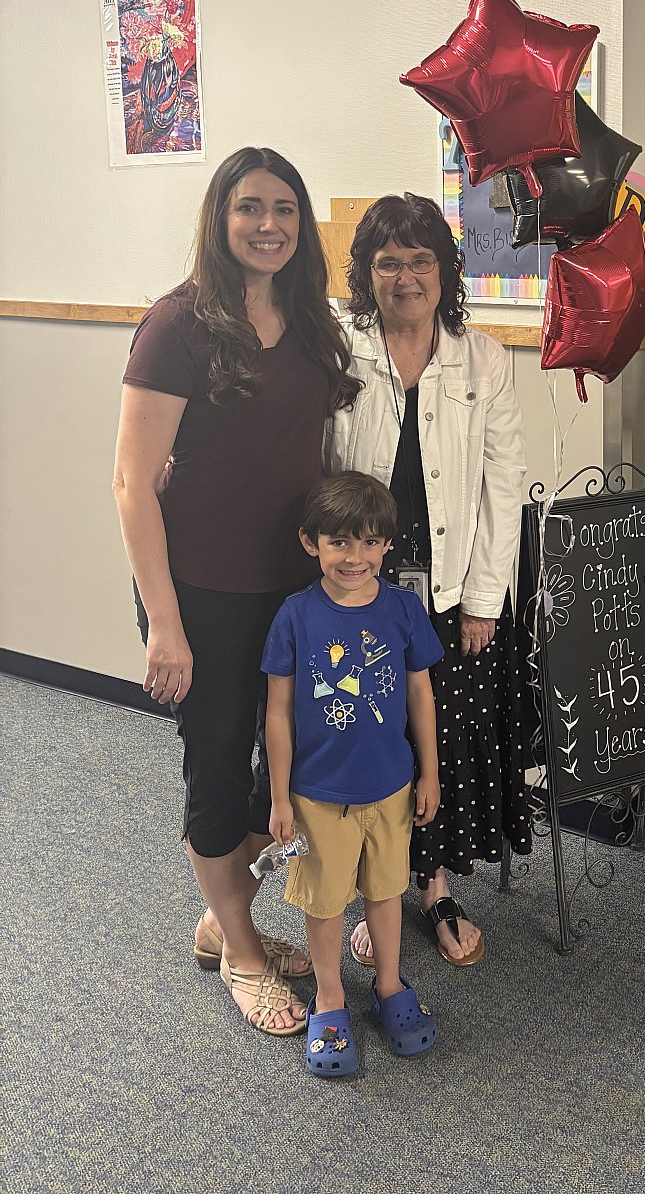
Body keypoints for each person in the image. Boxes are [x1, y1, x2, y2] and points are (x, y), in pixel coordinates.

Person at [114, 146, 360, 1034]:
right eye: (250, 206)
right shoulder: (177, 325)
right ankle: (242, 950)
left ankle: (224, 916)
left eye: (285, 209)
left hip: (292, 590)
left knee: (288, 761)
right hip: (200, 591)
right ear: (220, 218)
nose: (269, 225)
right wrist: (164, 624)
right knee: (217, 758)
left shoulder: (312, 322)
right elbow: (131, 483)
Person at [328, 193, 532, 968]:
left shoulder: (482, 358)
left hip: (450, 592)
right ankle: (371, 887)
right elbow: (312, 464)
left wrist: (484, 600)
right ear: (366, 273)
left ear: (446, 270)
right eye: (389, 262)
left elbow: (502, 486)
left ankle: (433, 885)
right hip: (359, 585)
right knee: (362, 737)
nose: (406, 277)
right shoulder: (339, 350)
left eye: (422, 260)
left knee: (436, 741)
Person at [263, 473, 441, 1076]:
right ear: (310, 543)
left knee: (385, 892)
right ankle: (330, 997)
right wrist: (280, 797)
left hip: (391, 787)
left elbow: (421, 695)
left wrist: (430, 773)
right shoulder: (294, 617)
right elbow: (278, 713)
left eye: (368, 542)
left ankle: (389, 984)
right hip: (317, 796)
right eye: (338, 542)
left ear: (387, 545)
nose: (354, 557)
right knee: (324, 901)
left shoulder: (404, 610)